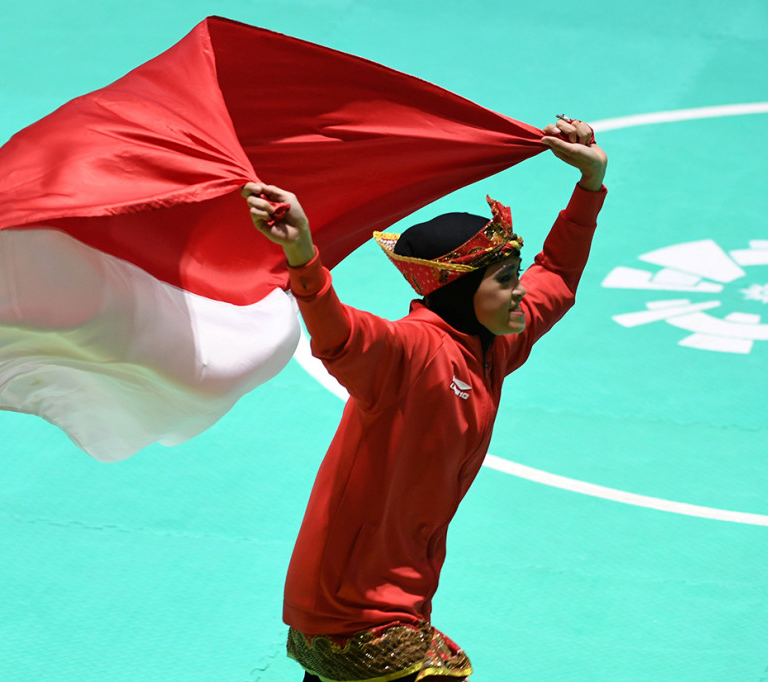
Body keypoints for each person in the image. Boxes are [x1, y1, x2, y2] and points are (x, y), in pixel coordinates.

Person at [243, 116, 608, 681]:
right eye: (505, 279)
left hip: (406, 593)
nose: (520, 291)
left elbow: (556, 274)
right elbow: (340, 335)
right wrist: (303, 257)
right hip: (351, 604)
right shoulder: (410, 351)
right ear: (460, 289)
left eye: (515, 275)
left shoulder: (496, 343)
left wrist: (588, 185)